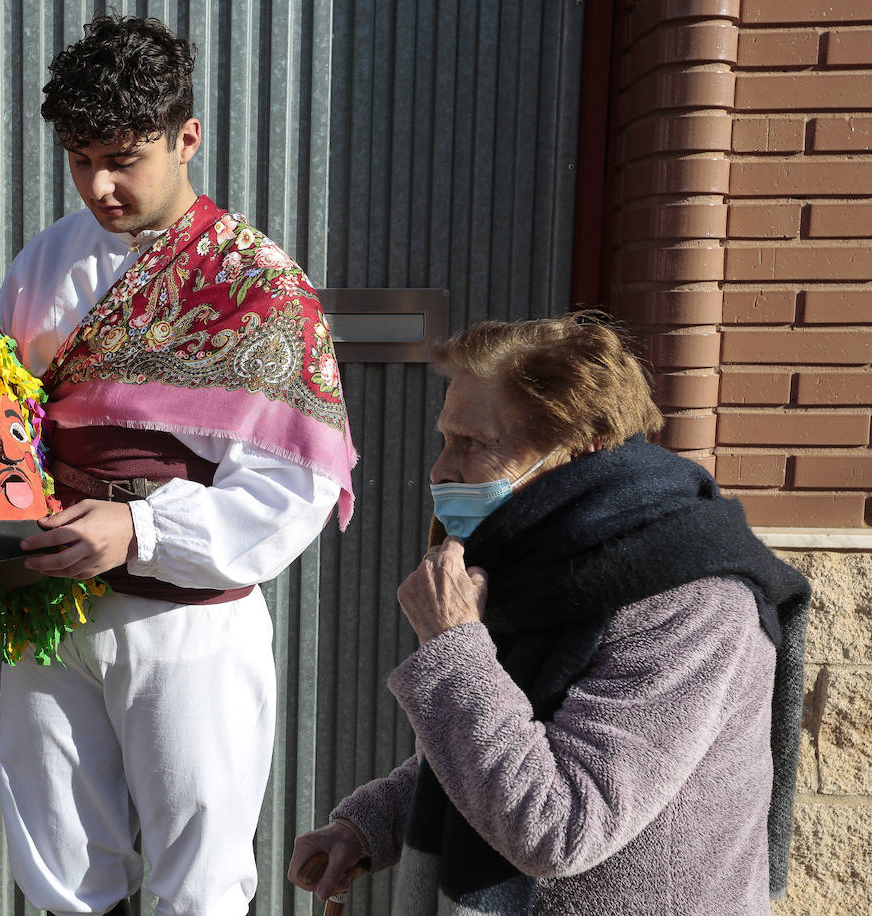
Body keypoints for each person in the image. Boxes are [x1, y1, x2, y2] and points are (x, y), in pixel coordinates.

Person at [0, 14, 357, 916]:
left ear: (187, 137)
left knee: (200, 880)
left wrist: (142, 527)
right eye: (81, 159)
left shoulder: (259, 284)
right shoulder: (46, 259)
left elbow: (293, 487)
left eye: (124, 157)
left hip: (189, 627)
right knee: (61, 866)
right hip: (50, 606)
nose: (101, 186)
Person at [287, 312, 810, 914]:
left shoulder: (691, 600)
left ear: (578, 445)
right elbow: (519, 736)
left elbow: (561, 826)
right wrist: (370, 825)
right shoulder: (549, 564)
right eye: (444, 438)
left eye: (472, 443)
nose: (439, 468)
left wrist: (454, 649)